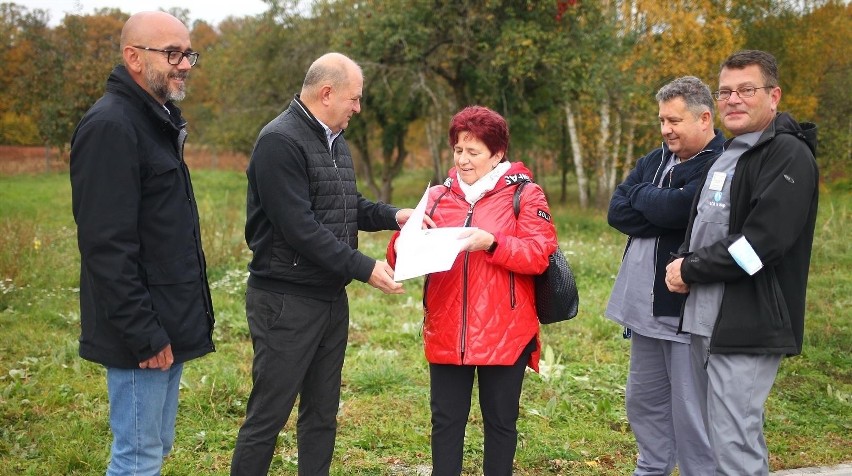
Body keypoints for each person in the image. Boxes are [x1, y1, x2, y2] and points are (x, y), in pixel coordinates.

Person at [231, 52, 424, 476]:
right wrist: (365, 267)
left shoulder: (334, 140)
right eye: (354, 99)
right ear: (326, 93)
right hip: (286, 301)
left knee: (321, 414)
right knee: (269, 415)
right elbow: (299, 227)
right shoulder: (279, 141)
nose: (358, 108)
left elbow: (344, 205)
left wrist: (395, 216)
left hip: (329, 299)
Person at [69, 11, 214, 476]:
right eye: (172, 53)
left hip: (166, 322)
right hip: (141, 332)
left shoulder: (156, 119)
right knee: (137, 458)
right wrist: (143, 334)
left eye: (188, 53)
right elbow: (105, 247)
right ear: (133, 57)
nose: (185, 63)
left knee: (155, 447)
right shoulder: (111, 126)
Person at [665, 50, 819, 475]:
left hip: (749, 322)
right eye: (725, 91)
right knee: (716, 437)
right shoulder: (730, 153)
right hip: (705, 317)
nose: (733, 100)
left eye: (746, 90)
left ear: (774, 96)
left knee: (734, 440)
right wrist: (682, 260)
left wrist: (692, 269)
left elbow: (763, 243)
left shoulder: (787, 155)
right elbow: (704, 224)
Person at [386, 105, 558, 475]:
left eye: (473, 152)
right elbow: (402, 252)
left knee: (500, 424)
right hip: (447, 329)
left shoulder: (525, 195)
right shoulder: (436, 196)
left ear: (497, 154)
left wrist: (492, 244)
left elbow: (539, 254)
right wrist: (402, 245)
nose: (462, 160)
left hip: (506, 332)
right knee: (445, 423)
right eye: (458, 150)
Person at [606, 76, 725, 476]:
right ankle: (652, 469)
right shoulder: (655, 159)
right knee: (643, 401)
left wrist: (647, 199)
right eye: (661, 120)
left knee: (691, 409)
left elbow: (682, 212)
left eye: (673, 121)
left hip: (682, 310)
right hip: (642, 310)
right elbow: (617, 211)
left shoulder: (719, 163)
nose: (665, 130)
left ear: (704, 118)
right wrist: (656, 202)